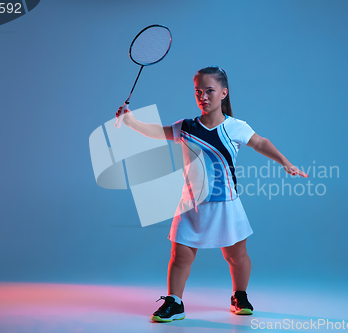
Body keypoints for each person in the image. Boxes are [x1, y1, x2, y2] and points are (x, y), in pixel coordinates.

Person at [116, 66, 308, 322]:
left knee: (236, 256)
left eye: (209, 91)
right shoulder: (185, 127)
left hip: (226, 204)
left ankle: (239, 295)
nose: (203, 96)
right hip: (190, 205)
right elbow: (157, 132)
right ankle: (175, 302)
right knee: (180, 256)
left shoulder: (236, 127)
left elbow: (261, 142)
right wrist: (131, 121)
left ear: (223, 93)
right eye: (198, 91)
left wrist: (285, 162)